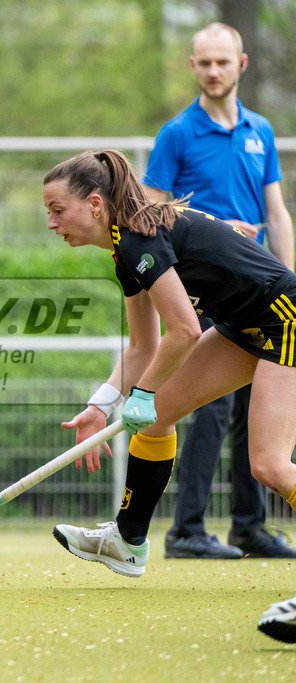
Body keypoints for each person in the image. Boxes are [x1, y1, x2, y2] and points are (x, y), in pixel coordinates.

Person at [42, 149, 296, 578]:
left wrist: (142, 393)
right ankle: (127, 541)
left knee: (268, 464)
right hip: (242, 326)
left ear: (95, 204)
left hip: (283, 316)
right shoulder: (125, 249)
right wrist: (101, 405)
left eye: (57, 210)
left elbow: (185, 330)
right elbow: (143, 346)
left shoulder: (140, 238)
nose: (51, 223)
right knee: (156, 419)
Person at [143, 22, 296, 561]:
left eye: (222, 62)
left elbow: (276, 212)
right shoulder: (176, 134)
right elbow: (150, 216)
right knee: (204, 409)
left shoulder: (260, 131)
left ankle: (249, 527)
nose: (213, 71)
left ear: (241, 64)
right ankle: (187, 529)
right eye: (204, 63)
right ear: (193, 67)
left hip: (261, 294)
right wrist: (215, 228)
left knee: (259, 418)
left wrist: (284, 273)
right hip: (201, 292)